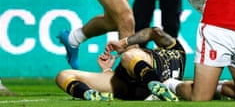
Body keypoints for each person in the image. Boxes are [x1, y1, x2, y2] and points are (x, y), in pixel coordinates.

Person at [56, 27, 185, 101]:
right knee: (63, 75)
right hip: (130, 86)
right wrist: (107, 70)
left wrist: (123, 43)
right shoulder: (178, 54)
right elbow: (154, 33)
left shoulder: (175, 49)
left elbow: (154, 32)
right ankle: (89, 94)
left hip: (150, 74)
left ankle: (156, 84)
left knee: (129, 55)